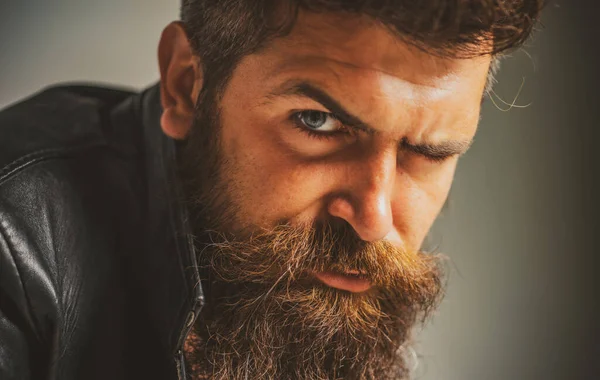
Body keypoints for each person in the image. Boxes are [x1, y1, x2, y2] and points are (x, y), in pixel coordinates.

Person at [0, 1, 545, 379]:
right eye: (317, 122)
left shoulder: (308, 291)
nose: (374, 218)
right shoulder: (13, 241)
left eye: (429, 152)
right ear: (187, 82)